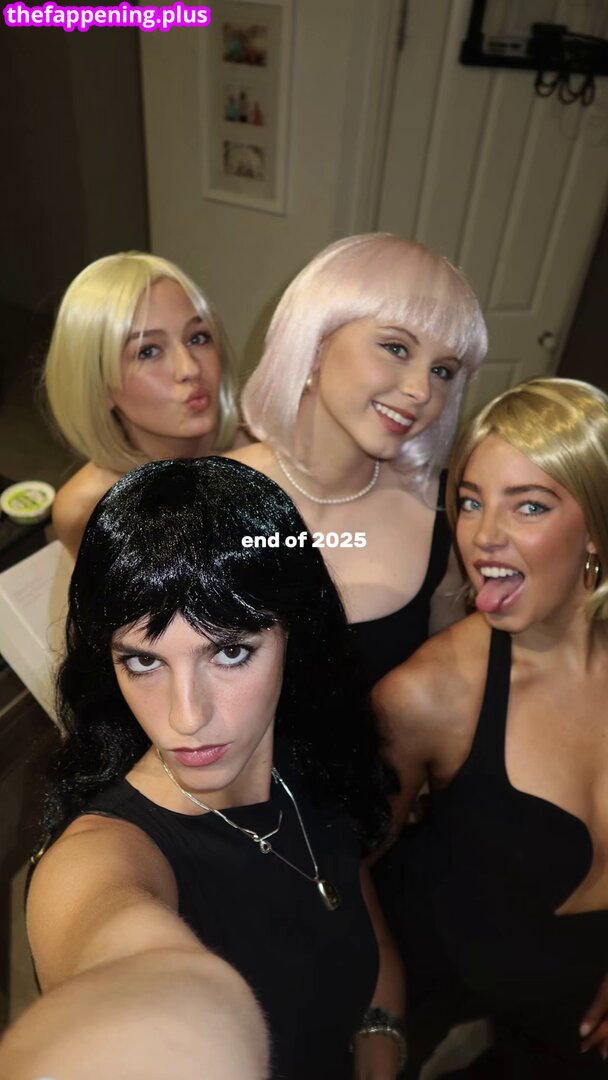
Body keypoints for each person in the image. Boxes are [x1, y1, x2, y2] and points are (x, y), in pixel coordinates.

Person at [15, 456, 404, 1079]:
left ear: (295, 633)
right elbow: (114, 947)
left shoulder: (308, 755)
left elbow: (355, 910)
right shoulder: (97, 861)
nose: (187, 717)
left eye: (229, 652)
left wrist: (379, 1037)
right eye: (144, 662)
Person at [374, 378, 608, 1077]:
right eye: (472, 502)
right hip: (435, 1009)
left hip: (573, 1017)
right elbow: (340, 872)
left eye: (528, 505)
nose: (483, 537)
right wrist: (377, 1019)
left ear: (597, 525)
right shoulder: (428, 695)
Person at [227, 233, 488, 689]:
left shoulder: (447, 515)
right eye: (397, 348)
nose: (422, 390)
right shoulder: (202, 498)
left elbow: (447, 687)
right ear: (315, 345)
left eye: (442, 371)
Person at [44, 251, 242, 559]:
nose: (190, 368)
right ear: (100, 386)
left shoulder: (266, 459)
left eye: (198, 338)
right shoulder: (86, 510)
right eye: (148, 351)